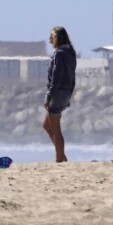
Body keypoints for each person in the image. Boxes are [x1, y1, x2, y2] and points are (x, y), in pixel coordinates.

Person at [44, 26, 76, 163]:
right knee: (47, 125)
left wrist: (49, 95)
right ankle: (62, 156)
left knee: (56, 130)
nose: (50, 39)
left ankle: (59, 161)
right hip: (66, 92)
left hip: (58, 93)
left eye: (52, 36)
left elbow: (56, 76)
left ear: (57, 38)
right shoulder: (70, 52)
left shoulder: (59, 54)